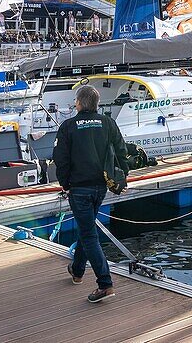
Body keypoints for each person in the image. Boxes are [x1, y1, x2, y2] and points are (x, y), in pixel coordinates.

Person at [53, 85, 127, 303]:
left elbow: (61, 159)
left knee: (88, 234)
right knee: (87, 229)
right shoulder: (107, 123)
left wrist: (64, 184)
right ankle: (77, 270)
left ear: (78, 103)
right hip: (101, 187)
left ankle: (105, 283)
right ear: (96, 103)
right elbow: (122, 151)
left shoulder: (68, 126)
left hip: (79, 188)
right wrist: (123, 179)